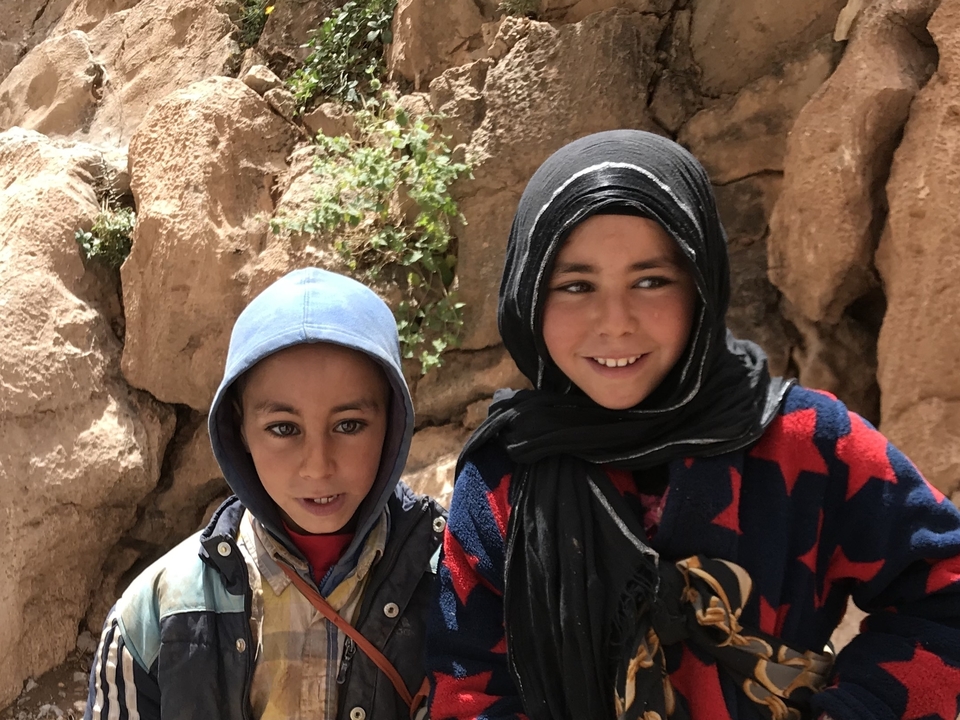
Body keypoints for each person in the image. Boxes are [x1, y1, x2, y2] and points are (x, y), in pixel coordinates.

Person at [425, 130, 960, 720]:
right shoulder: (507, 475)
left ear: (701, 284)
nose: (616, 322)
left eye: (650, 280)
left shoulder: (807, 441)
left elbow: (944, 586)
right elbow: (469, 688)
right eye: (576, 286)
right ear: (528, 295)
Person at [85, 267, 446, 720]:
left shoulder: (455, 581)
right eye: (283, 429)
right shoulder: (160, 609)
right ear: (239, 431)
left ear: (393, 423)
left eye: (349, 425)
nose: (318, 465)